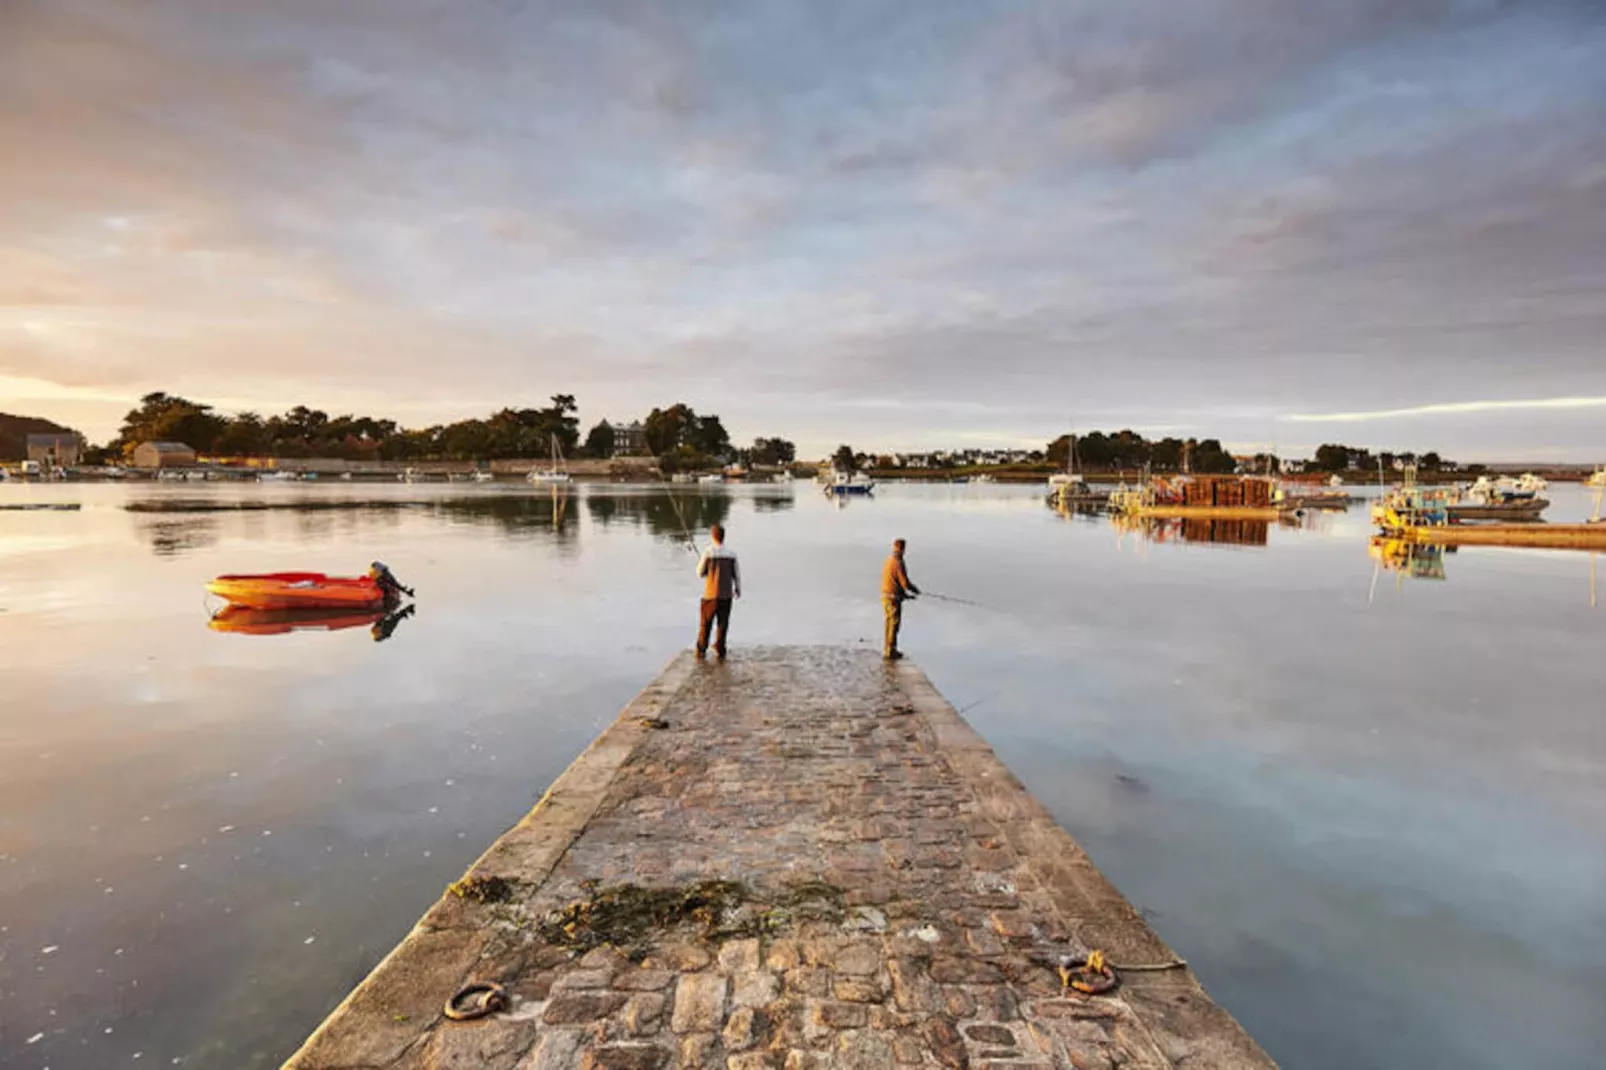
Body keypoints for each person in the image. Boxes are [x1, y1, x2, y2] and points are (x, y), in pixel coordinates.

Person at [695, 524, 741, 660]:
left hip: (710, 595)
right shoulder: (732, 554)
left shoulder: (708, 552)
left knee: (706, 623)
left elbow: (699, 573)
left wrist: (707, 571)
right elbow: (736, 574)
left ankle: (701, 648)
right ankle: (720, 648)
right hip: (726, 595)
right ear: (723, 536)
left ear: (713, 536)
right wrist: (738, 589)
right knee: (723, 623)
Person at [880, 537, 920, 660]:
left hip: (885, 596)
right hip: (893, 599)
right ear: (902, 548)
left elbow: (894, 581)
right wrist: (915, 590)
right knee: (894, 625)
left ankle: (887, 648)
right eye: (904, 548)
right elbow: (904, 583)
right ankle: (890, 651)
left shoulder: (888, 560)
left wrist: (906, 595)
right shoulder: (898, 562)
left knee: (888, 624)